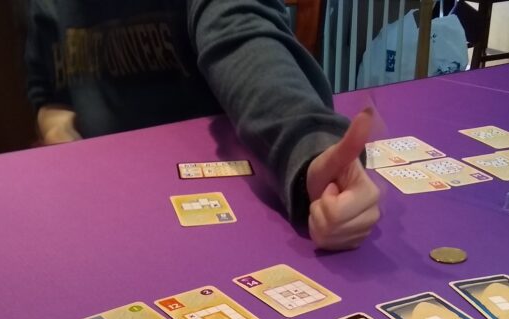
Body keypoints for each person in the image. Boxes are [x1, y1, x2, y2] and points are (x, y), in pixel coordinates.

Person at [24, 0, 380, 251]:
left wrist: (308, 147)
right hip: (109, 223)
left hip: (223, 225)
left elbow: (243, 37)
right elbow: (50, 93)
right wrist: (56, 128)